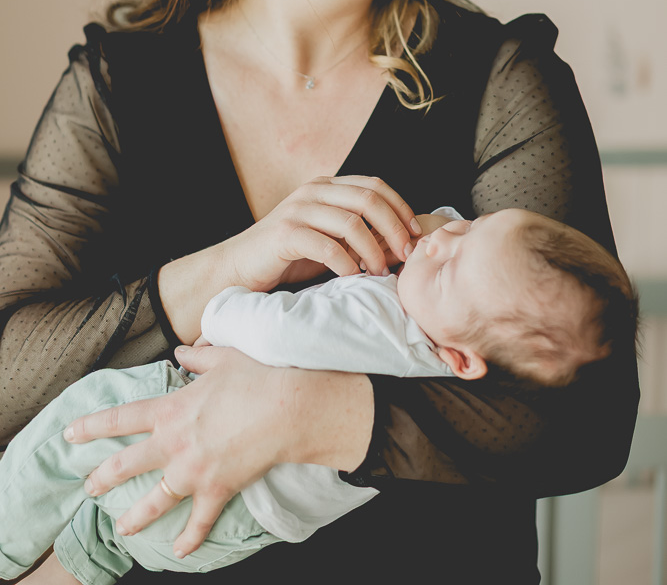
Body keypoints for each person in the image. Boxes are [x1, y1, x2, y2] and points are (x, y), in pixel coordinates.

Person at [0, 0, 639, 585]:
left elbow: (589, 422)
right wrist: (218, 271)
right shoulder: (116, 90)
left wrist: (312, 412)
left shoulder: (499, 82)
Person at [0, 208, 638, 584]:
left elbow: (274, 327)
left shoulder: (382, 321)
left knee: (79, 428)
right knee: (108, 526)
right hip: (220, 532)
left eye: (446, 264)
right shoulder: (443, 358)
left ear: (462, 358)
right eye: (470, 226)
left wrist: (220, 311)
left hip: (200, 469)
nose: (439, 239)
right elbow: (460, 248)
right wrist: (448, 243)